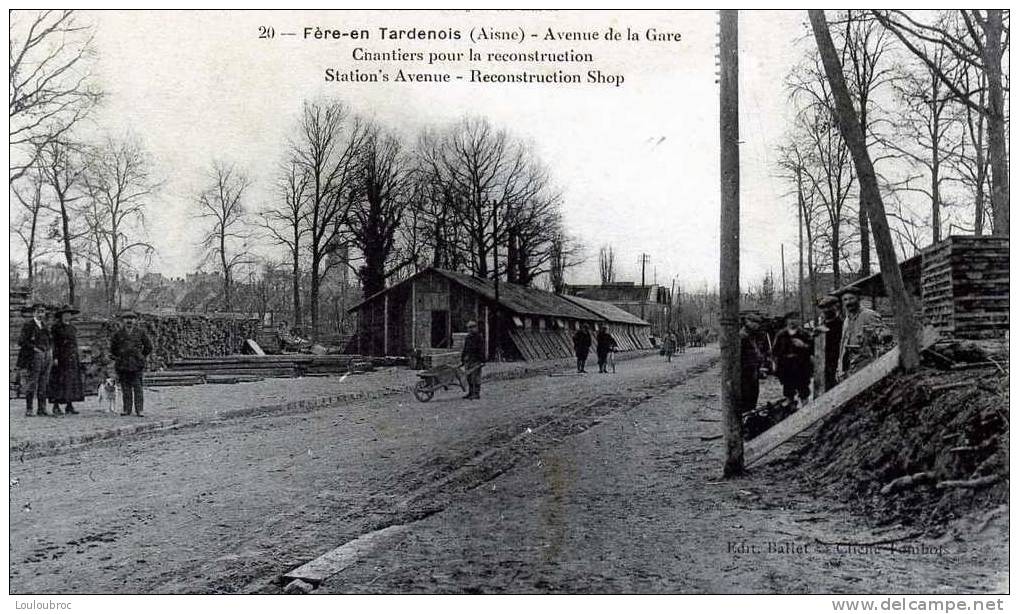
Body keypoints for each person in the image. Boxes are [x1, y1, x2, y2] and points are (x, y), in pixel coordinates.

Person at [836, 287, 891, 381]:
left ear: (858, 299)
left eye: (851, 298)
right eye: (845, 300)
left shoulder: (868, 315)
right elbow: (843, 345)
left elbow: (885, 337)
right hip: (849, 369)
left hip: (867, 368)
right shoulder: (847, 320)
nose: (848, 302)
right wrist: (839, 368)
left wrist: (879, 335)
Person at [110, 310, 153, 417]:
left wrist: (140, 356)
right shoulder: (118, 334)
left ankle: (139, 410)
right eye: (126, 319)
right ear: (122, 321)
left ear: (135, 321)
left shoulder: (140, 332)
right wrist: (120, 356)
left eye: (132, 319)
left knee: (138, 387)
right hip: (123, 364)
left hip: (136, 364)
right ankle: (126, 409)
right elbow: (113, 349)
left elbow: (148, 347)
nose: (129, 321)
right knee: (125, 388)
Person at [48, 304, 85, 415]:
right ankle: (56, 406)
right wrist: (55, 357)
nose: (67, 316)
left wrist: (78, 355)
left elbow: (75, 343)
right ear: (61, 315)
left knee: (71, 381)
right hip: (61, 358)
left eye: (69, 314)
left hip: (72, 357)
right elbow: (54, 343)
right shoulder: (56, 327)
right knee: (59, 381)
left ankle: (69, 405)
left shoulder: (73, 328)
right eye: (65, 314)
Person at [772, 311, 814, 408]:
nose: (792, 321)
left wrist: (803, 345)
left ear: (799, 321)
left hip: (801, 366)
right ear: (787, 321)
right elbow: (775, 351)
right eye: (790, 319)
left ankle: (805, 408)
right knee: (788, 389)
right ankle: (790, 408)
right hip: (786, 366)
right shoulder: (781, 334)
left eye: (795, 319)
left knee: (803, 389)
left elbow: (813, 349)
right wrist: (775, 364)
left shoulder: (804, 334)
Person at [18, 303, 53, 417]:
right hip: (33, 357)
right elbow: (22, 341)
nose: (40, 314)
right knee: (32, 382)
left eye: (42, 311)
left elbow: (49, 340)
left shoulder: (45, 325)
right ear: (34, 313)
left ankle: (42, 409)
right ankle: (29, 409)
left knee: (44, 383)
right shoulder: (28, 325)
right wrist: (34, 349)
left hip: (46, 356)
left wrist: (49, 351)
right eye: (38, 311)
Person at [739, 314, 765, 414]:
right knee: (747, 397)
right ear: (748, 322)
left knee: (753, 396)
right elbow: (742, 357)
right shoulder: (742, 336)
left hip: (753, 371)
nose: (757, 326)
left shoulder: (751, 336)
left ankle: (750, 416)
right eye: (755, 323)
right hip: (746, 372)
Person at [817, 295, 843, 391]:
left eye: (829, 307)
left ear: (835, 308)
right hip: (822, 361)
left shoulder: (840, 324)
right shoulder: (821, 325)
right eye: (824, 308)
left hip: (836, 360)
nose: (826, 310)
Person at [460, 320, 485, 400]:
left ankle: (476, 394)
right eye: (469, 328)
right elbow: (465, 348)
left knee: (476, 377)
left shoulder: (479, 337)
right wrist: (462, 358)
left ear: (475, 328)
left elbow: (481, 349)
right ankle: (470, 393)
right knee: (469, 377)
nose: (470, 329)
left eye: (472, 327)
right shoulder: (468, 338)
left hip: (476, 360)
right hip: (468, 360)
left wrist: (482, 360)